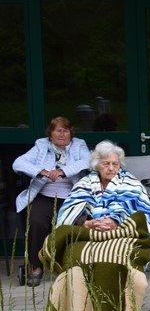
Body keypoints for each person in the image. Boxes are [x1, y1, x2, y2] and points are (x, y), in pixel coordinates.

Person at [42, 140, 150, 311]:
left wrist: (116, 220)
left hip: (122, 235)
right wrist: (86, 222)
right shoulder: (84, 183)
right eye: (106, 163)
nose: (111, 168)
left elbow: (142, 211)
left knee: (113, 258)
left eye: (115, 164)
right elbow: (69, 211)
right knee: (76, 258)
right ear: (96, 164)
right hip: (87, 233)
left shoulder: (131, 183)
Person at [13, 117, 91, 286]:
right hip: (44, 195)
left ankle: (74, 266)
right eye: (58, 130)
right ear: (50, 133)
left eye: (65, 130)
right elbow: (18, 163)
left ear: (71, 133)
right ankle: (35, 267)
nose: (62, 134)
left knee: (77, 224)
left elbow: (88, 161)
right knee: (36, 223)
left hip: (72, 196)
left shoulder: (79, 144)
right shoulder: (41, 145)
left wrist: (63, 171)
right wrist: (41, 171)